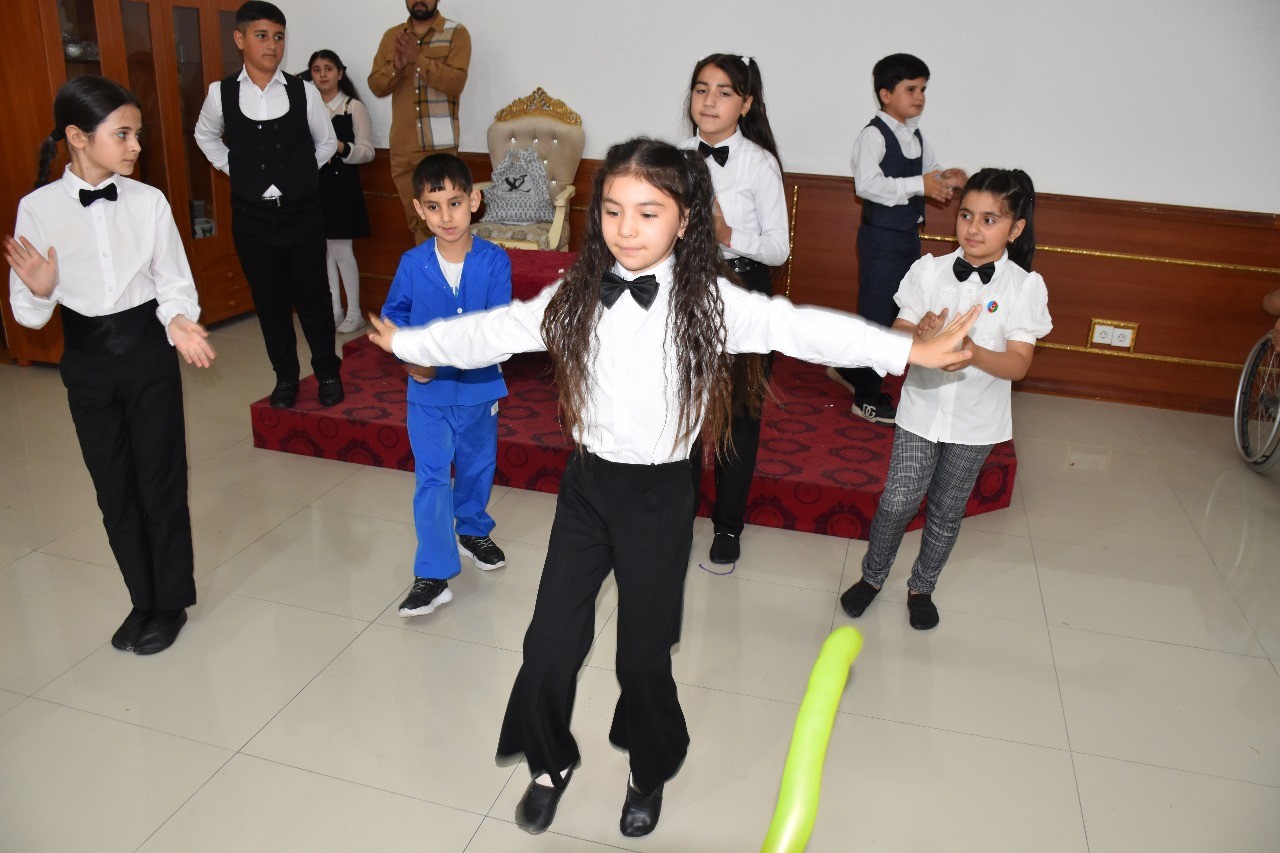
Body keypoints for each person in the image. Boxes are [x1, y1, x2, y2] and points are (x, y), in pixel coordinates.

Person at [365, 138, 980, 838]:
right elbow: (493, 331)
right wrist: (410, 343)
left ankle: (646, 768)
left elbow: (802, 328)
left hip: (659, 495)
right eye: (613, 211)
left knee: (641, 656)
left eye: (648, 212)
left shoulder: (712, 302)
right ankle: (550, 762)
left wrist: (910, 350)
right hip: (587, 486)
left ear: (685, 220)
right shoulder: (576, 295)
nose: (626, 229)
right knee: (548, 644)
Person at [5, 76, 217, 655]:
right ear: (77, 137)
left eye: (137, 134)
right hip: (87, 363)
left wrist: (178, 319)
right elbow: (28, 315)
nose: (136, 146)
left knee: (160, 482)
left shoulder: (148, 202)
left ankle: (170, 602)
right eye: (122, 134)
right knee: (113, 488)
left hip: (147, 355)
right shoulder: (37, 209)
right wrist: (42, 291)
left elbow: (173, 281)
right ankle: (142, 598)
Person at [840, 168, 1051, 630]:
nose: (973, 228)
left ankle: (922, 587)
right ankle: (872, 577)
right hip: (921, 408)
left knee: (946, 510)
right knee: (898, 499)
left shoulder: (1024, 287)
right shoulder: (929, 270)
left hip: (977, 422)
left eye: (990, 219)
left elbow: (1018, 364)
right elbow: (899, 332)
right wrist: (923, 334)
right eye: (966, 215)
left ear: (1015, 228)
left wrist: (971, 352)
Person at [194, 1, 343, 410]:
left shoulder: (303, 90)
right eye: (262, 36)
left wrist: (300, 175)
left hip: (302, 213)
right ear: (240, 39)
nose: (272, 45)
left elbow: (326, 142)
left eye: (279, 37)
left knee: (314, 298)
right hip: (252, 217)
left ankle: (328, 373)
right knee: (270, 302)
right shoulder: (220, 93)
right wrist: (234, 169)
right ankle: (285, 378)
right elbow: (205, 136)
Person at [381, 153, 511, 617]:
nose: (446, 216)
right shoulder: (412, 264)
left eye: (455, 203)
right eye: (433, 207)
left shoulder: (495, 261)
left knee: (477, 466)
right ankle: (433, 574)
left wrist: (440, 356)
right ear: (419, 210)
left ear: (474, 201)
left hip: (481, 390)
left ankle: (472, 528)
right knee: (432, 477)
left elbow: (500, 328)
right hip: (427, 396)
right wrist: (409, 357)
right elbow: (394, 317)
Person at [680, 53, 789, 567]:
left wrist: (726, 233)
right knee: (681, 405)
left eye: (724, 92)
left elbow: (779, 249)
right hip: (686, 287)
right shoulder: (674, 157)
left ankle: (727, 526)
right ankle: (675, 514)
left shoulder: (759, 164)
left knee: (740, 415)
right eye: (701, 89)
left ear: (745, 104)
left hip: (743, 288)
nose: (709, 101)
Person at [828, 53, 967, 425]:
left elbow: (929, 173)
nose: (919, 97)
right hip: (881, 239)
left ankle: (852, 371)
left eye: (923, 89)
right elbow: (867, 185)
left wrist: (946, 177)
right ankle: (866, 399)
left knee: (896, 310)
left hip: (907, 237)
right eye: (911, 89)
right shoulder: (873, 135)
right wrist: (919, 184)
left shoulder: (916, 135)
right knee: (877, 315)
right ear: (886, 94)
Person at [367, 0, 471, 245]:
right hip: (404, 147)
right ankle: (428, 270)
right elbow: (377, 86)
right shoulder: (393, 36)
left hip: (439, 147)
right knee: (417, 220)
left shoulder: (456, 33)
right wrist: (397, 66)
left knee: (443, 222)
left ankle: (445, 270)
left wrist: (418, 59)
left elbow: (455, 82)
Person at [303, 49, 373, 334]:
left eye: (328, 68)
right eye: (316, 69)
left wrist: (341, 148)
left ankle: (355, 313)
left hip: (342, 187)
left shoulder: (352, 107)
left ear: (340, 73)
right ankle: (334, 310)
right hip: (315, 186)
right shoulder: (308, 107)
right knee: (323, 252)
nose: (322, 75)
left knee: (342, 250)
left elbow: (367, 151)